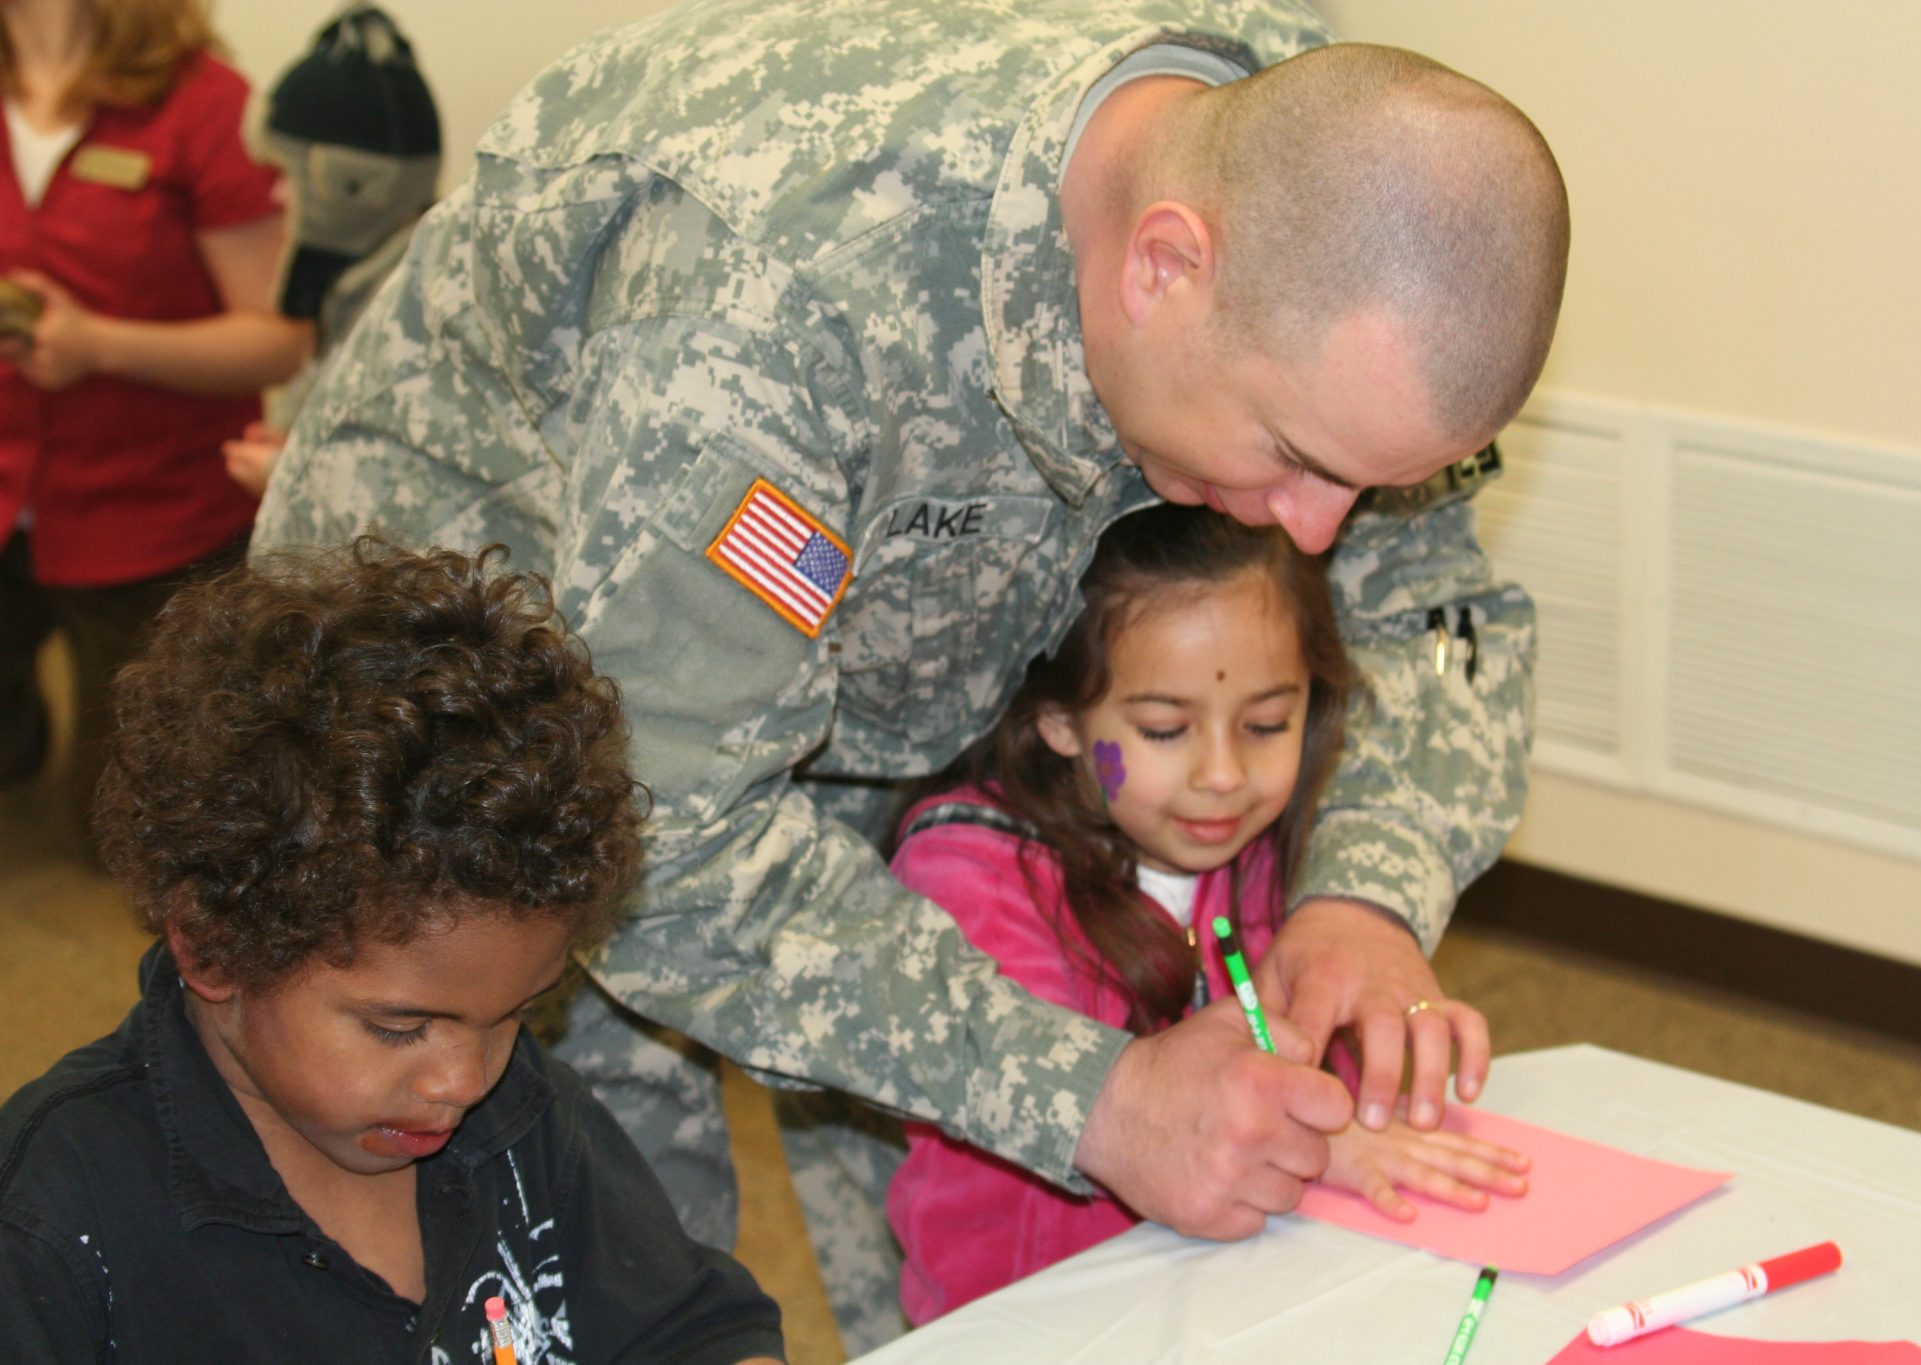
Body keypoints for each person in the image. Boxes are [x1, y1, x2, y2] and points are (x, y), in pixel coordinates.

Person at [251, 0, 1569, 1348]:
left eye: (1368, 481)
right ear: (1164, 266)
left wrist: (1367, 895)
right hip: (496, 719)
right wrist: (1096, 1098)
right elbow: (661, 839)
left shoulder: (1316, 167)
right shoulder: (779, 306)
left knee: (982, 1273)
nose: (1311, 531)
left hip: (892, 653)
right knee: (612, 1270)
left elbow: (1436, 606)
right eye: (1295, 454)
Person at [0, 539, 785, 1364]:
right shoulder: (53, 1219)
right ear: (214, 943)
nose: (465, 1079)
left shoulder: (520, 1113)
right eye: (400, 1026)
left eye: (517, 1012)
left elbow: (688, 1328)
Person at [886, 504, 1533, 1322]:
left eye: (1267, 723)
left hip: (1227, 1305)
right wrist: (1314, 1140)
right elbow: (1075, 1148)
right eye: (1164, 729)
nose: (1226, 774)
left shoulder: (1282, 857)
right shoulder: (967, 881)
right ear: (1058, 719)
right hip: (1037, 1325)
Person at [0, 0, 311, 829]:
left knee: (119, 830)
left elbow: (279, 339)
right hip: (8, 495)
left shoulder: (205, 105)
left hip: (153, 512)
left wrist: (101, 345)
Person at [223, 2, 443, 498]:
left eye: (287, 177)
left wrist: (295, 483)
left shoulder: (413, 307)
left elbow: (416, 493)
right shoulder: (361, 285)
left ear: (348, 186)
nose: (277, 196)